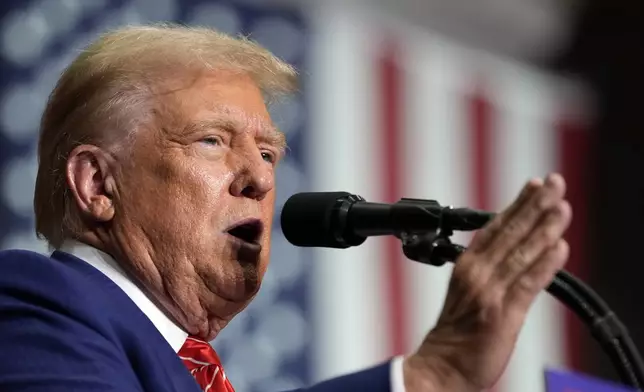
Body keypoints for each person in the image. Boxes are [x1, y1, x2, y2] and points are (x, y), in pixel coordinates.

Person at [0, 24, 572, 392]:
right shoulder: (33, 302)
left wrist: (429, 378)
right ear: (97, 183)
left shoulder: (182, 367)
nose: (259, 178)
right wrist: (429, 377)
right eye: (212, 141)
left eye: (269, 152)